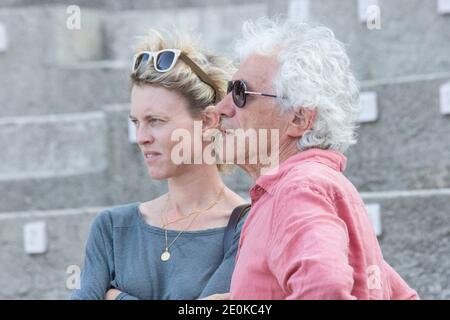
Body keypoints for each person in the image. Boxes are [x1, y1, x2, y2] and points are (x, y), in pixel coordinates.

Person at [215, 18, 419, 299]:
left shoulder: (298, 190)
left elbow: (326, 290)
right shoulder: (315, 185)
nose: (221, 107)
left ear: (298, 118)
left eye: (240, 93)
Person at [71, 29, 247, 300]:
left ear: (209, 121)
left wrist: (116, 297)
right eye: (136, 122)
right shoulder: (112, 228)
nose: (142, 138)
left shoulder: (246, 227)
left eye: (156, 121)